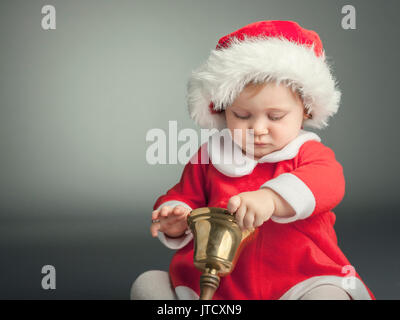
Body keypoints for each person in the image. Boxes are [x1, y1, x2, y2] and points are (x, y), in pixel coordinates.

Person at [131, 20, 375, 300]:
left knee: (329, 295)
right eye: (242, 116)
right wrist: (176, 217)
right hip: (219, 284)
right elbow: (185, 196)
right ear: (223, 112)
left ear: (306, 110)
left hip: (298, 275)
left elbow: (328, 183)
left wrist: (271, 199)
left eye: (275, 117)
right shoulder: (211, 156)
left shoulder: (308, 153)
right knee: (148, 285)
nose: (258, 129)